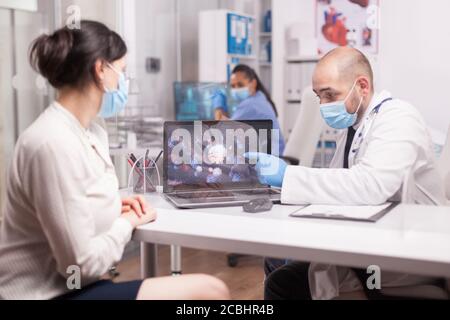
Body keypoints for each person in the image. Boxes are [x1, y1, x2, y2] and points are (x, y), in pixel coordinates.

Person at [0, 21, 230, 300]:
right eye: (121, 71)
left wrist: (109, 206)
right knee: (211, 291)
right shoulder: (51, 143)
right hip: (46, 293)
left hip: (77, 284)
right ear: (100, 70)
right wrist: (127, 222)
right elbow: (78, 266)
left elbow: (71, 206)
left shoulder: (92, 131)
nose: (123, 81)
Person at [247, 47, 447, 300]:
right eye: (319, 96)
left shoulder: (398, 117)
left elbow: (370, 185)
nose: (323, 105)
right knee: (276, 258)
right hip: (371, 239)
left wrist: (287, 176)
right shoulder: (354, 127)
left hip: (405, 254)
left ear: (362, 86)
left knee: (282, 282)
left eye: (330, 94)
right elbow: (340, 187)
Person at [213, 64, 286, 156]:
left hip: (270, 160)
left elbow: (221, 128)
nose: (236, 89)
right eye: (233, 86)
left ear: (253, 83)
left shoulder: (250, 104)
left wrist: (218, 106)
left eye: (240, 85)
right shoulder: (259, 97)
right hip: (273, 155)